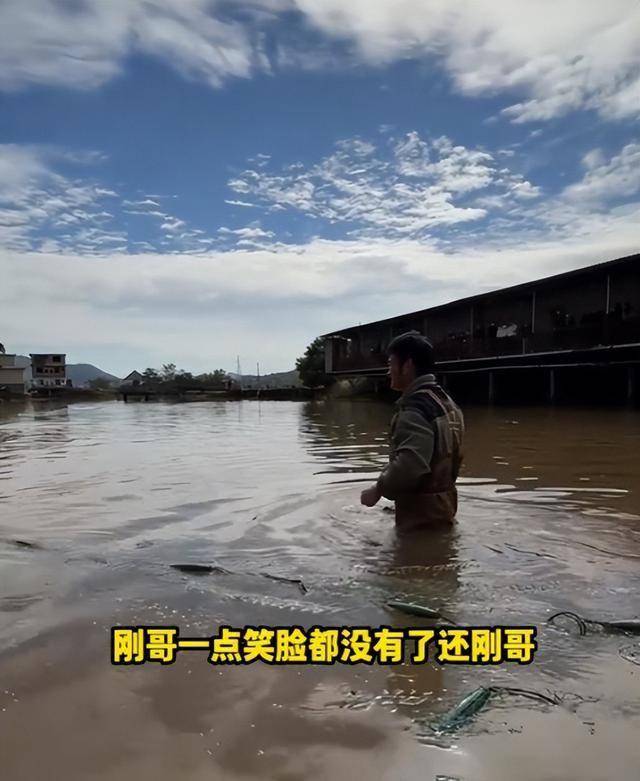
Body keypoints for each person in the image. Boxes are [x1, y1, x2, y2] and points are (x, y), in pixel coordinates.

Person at [360, 331, 465, 530]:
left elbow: (410, 465)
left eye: (391, 364)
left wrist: (378, 489)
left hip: (420, 517)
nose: (388, 372)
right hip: (445, 506)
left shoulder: (414, 410)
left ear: (407, 366)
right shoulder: (447, 402)